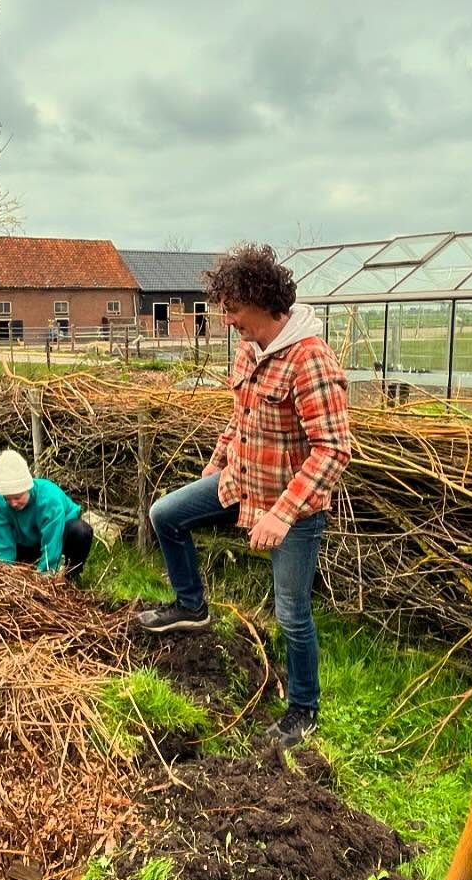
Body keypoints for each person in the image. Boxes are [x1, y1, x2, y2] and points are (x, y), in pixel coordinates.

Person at [135, 243, 351, 752]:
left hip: (291, 506)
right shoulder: (249, 351)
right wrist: (214, 466)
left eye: (233, 309)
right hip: (240, 484)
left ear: (260, 300)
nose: (228, 320)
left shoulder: (309, 360)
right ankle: (191, 606)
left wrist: (283, 513)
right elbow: (240, 419)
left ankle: (304, 708)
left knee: (291, 611)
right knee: (165, 514)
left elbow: (334, 449)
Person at [0, 448, 94, 582]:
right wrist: (4, 577)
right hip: (24, 543)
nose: (13, 503)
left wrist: (45, 576)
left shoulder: (48, 498)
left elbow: (52, 540)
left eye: (18, 497)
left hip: (59, 536)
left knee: (81, 531)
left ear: (27, 488)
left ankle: (71, 576)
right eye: (8, 498)